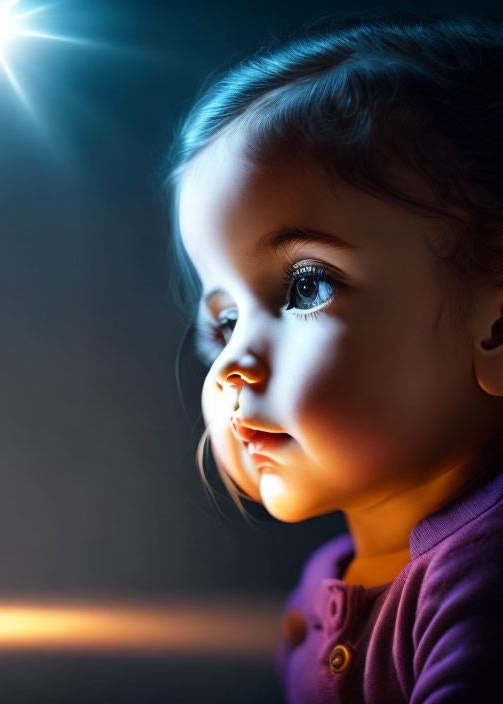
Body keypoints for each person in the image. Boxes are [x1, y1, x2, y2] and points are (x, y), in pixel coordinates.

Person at [170, 15, 503, 703]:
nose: (232, 364)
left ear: (495, 327)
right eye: (226, 321)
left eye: (304, 286)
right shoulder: (331, 572)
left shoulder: (483, 580)